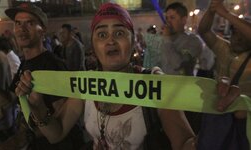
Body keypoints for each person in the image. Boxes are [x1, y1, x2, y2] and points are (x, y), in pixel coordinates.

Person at [16, 3, 198, 150]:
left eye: (119, 33)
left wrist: (217, 126)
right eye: (102, 34)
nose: (110, 41)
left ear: (133, 41)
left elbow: (184, 142)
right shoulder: (85, 83)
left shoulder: (154, 83)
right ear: (93, 46)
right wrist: (38, 107)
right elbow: (57, 134)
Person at [1, 2, 84, 149]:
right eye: (18, 23)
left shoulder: (53, 65)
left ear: (42, 31)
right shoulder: (25, 64)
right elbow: (7, 100)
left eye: (30, 23)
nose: (22, 29)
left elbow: (64, 118)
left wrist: (23, 138)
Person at [197, 0, 251, 149]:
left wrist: (226, 14)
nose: (238, 37)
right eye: (234, 31)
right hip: (217, 118)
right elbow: (203, 31)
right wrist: (212, 9)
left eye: (243, 33)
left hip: (244, 123)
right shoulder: (224, 48)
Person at [160, 2, 202, 76]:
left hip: (183, 86)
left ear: (183, 20)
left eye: (172, 18)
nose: (168, 21)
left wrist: (167, 38)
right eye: (167, 18)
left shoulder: (193, 41)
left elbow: (178, 65)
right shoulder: (162, 39)